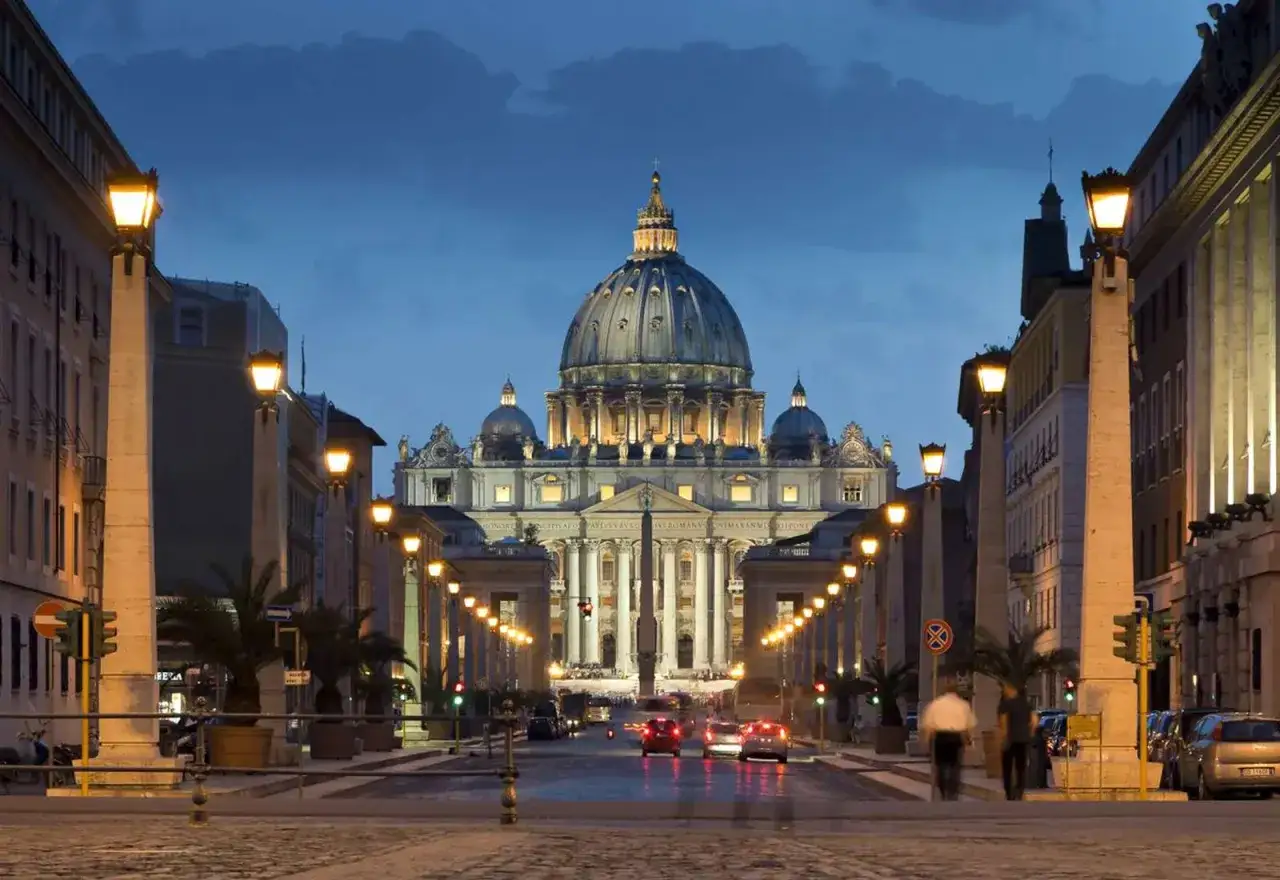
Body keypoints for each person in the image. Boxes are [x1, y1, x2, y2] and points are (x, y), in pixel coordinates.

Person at [919, 686, 976, 801]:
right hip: (956, 737)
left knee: (940, 765)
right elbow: (969, 725)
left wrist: (926, 741)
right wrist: (969, 740)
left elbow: (928, 725)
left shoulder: (935, 704)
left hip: (940, 737)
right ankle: (952, 791)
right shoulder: (963, 705)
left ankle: (943, 789)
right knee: (955, 765)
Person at [997, 684, 1034, 800]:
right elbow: (1034, 720)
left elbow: (1003, 722)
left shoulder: (1005, 704)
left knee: (1007, 767)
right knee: (1020, 767)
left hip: (1010, 740)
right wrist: (1030, 733)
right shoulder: (1026, 704)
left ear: (1010, 689)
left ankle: (1009, 792)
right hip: (1023, 739)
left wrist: (1003, 737)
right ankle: (1019, 790)